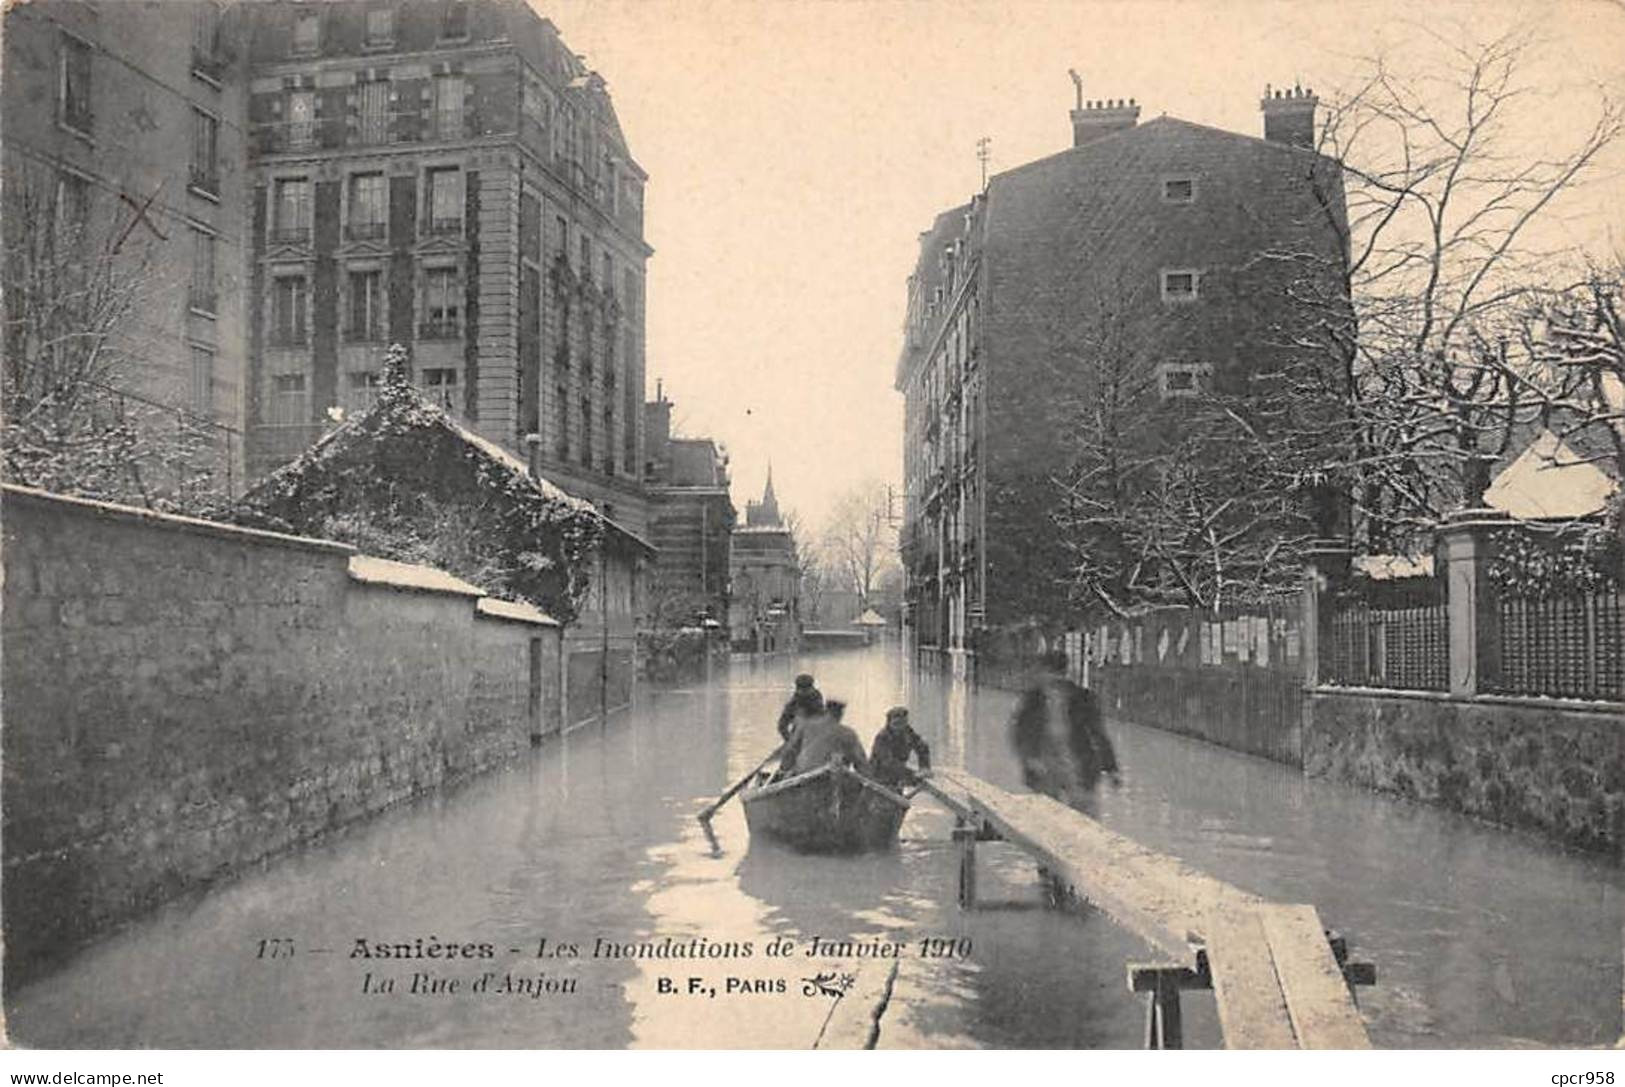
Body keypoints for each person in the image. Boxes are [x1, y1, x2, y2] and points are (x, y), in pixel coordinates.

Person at [1010, 649, 1120, 800]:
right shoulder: (1033, 700)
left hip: (1077, 769)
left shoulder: (1082, 698)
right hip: (1047, 769)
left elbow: (1098, 733)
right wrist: (1030, 759)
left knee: (1080, 815)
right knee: (1048, 815)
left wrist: (1111, 768)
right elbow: (1019, 732)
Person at [780, 700, 869, 777]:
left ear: (826, 712)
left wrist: (784, 771)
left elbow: (789, 752)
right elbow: (861, 763)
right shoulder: (847, 733)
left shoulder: (805, 726)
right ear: (840, 714)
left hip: (803, 775)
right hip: (832, 778)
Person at [869, 706, 932, 790]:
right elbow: (888, 762)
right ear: (889, 723)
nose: (899, 728)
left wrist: (924, 768)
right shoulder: (882, 738)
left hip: (898, 776)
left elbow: (922, 747)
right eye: (896, 724)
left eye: (903, 724)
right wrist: (912, 774)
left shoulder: (908, 733)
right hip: (879, 777)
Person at [777, 673, 824, 741]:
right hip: (798, 739)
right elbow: (782, 726)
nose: (804, 692)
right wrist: (790, 740)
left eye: (807, 688)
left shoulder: (817, 702)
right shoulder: (793, 704)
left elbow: (826, 724)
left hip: (818, 739)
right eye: (802, 689)